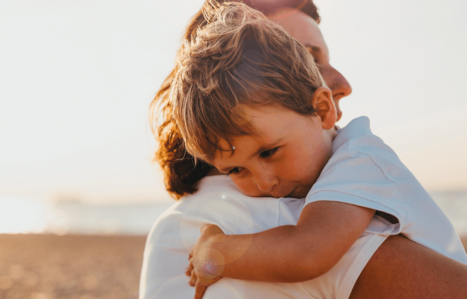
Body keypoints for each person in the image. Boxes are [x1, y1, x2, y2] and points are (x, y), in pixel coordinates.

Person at [140, 1, 467, 299]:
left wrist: (216, 250)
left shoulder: (357, 158)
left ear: (321, 109)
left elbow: (307, 251)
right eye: (307, 58)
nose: (264, 183)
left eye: (268, 152)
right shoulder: (252, 206)